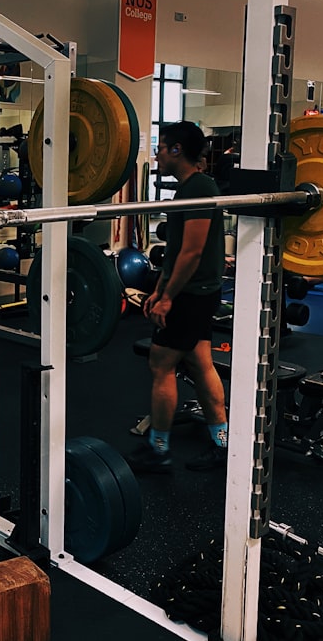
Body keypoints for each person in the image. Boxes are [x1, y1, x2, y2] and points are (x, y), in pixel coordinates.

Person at [128, 121, 228, 474]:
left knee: (161, 364)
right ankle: (222, 444)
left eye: (162, 147)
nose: (157, 154)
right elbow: (176, 252)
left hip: (192, 294)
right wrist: (159, 287)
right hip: (194, 291)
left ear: (176, 151)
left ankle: (159, 449)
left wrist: (168, 297)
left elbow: (192, 252)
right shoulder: (189, 189)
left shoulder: (200, 187)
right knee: (201, 364)